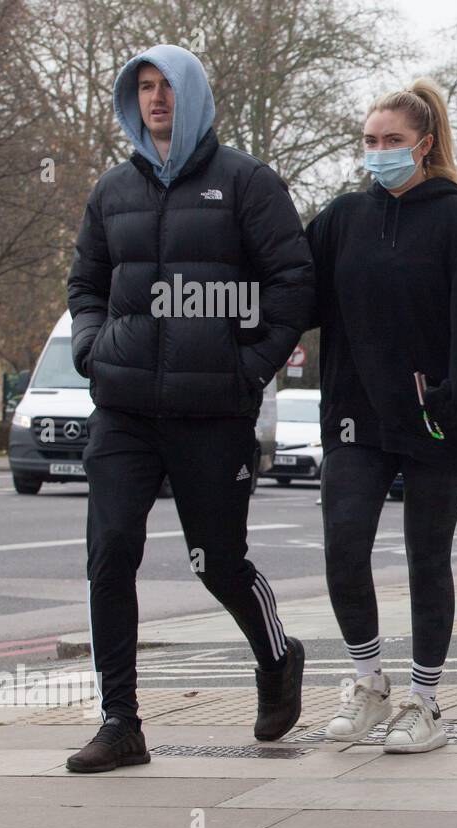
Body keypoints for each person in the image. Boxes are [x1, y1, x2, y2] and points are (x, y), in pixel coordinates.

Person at [65, 45, 313, 772]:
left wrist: (249, 367)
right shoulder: (112, 192)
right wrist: (91, 348)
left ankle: (277, 658)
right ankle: (121, 721)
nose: (155, 99)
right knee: (110, 553)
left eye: (167, 86)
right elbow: (84, 283)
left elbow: (294, 284)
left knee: (218, 562)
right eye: (143, 87)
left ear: (193, 94)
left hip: (213, 413)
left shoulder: (246, 184)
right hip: (125, 409)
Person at [307, 79, 457, 753]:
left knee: (426, 559)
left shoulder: (452, 219)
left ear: (425, 145)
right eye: (370, 141)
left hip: (434, 418)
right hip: (356, 413)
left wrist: (451, 401)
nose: (378, 153)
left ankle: (426, 702)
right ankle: (368, 682)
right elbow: (296, 291)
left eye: (392, 142)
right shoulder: (341, 219)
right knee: (344, 544)